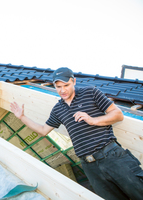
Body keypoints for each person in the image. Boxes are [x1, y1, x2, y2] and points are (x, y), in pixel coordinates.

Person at [10, 67, 143, 200]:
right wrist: (22, 117)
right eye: (58, 87)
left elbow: (118, 114)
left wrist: (93, 120)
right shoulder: (58, 109)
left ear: (73, 81)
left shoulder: (90, 92)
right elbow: (43, 130)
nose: (62, 90)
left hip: (112, 157)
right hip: (90, 167)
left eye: (66, 85)